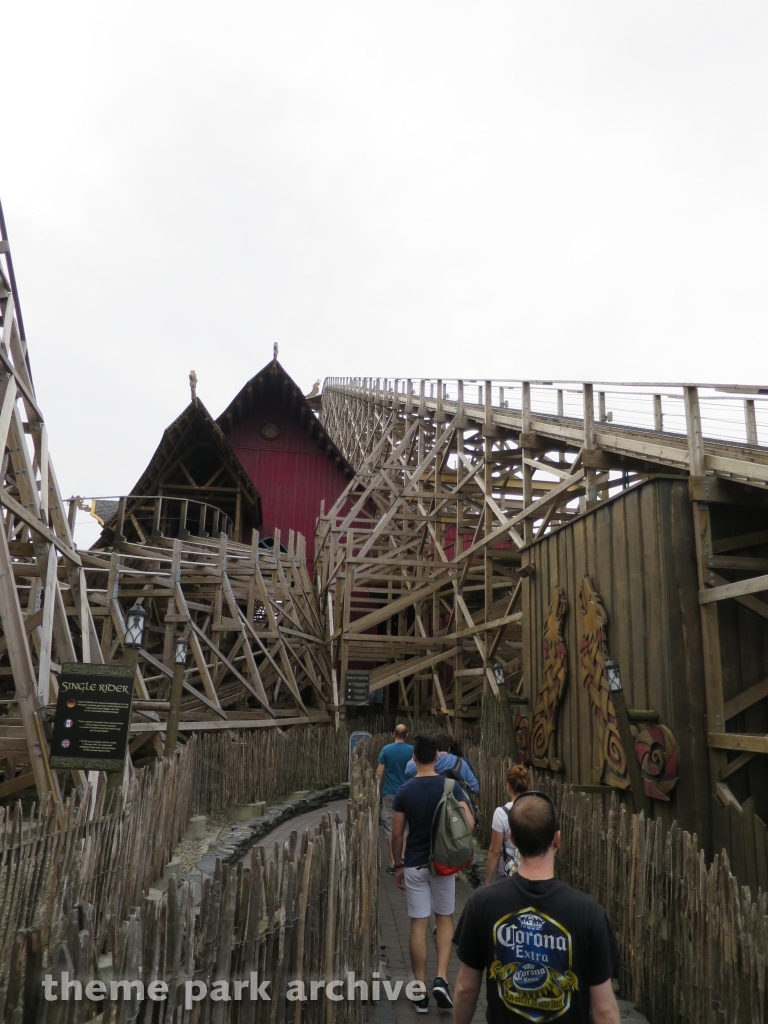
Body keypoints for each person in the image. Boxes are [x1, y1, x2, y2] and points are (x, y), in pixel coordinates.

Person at [453, 791, 621, 1024]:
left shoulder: (482, 903)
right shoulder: (588, 912)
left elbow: (465, 988)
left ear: (512, 838)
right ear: (558, 839)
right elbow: (604, 1009)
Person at [392, 733, 474, 1013]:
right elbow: (469, 824)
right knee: (445, 918)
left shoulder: (404, 791)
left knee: (418, 923)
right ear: (437, 757)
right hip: (444, 864)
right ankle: (441, 977)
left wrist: (397, 865)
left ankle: (421, 989)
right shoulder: (450, 786)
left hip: (415, 864)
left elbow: (396, 835)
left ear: (414, 758)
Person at [376, 724, 414, 872]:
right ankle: (403, 855)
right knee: (406, 826)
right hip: (408, 792)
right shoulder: (412, 750)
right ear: (407, 735)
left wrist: (376, 791)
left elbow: (379, 772)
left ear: (393, 734)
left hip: (390, 793)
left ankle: (392, 861)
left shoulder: (386, 750)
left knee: (389, 825)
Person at [484, 763, 529, 883]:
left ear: (508, 786)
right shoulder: (536, 809)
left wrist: (487, 881)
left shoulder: (501, 813)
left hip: (510, 869)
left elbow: (495, 851)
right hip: (532, 865)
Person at [404, 732, 480, 794]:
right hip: (456, 807)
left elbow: (408, 770)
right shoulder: (461, 762)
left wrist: (415, 755)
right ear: (449, 748)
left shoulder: (429, 761)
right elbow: (475, 788)